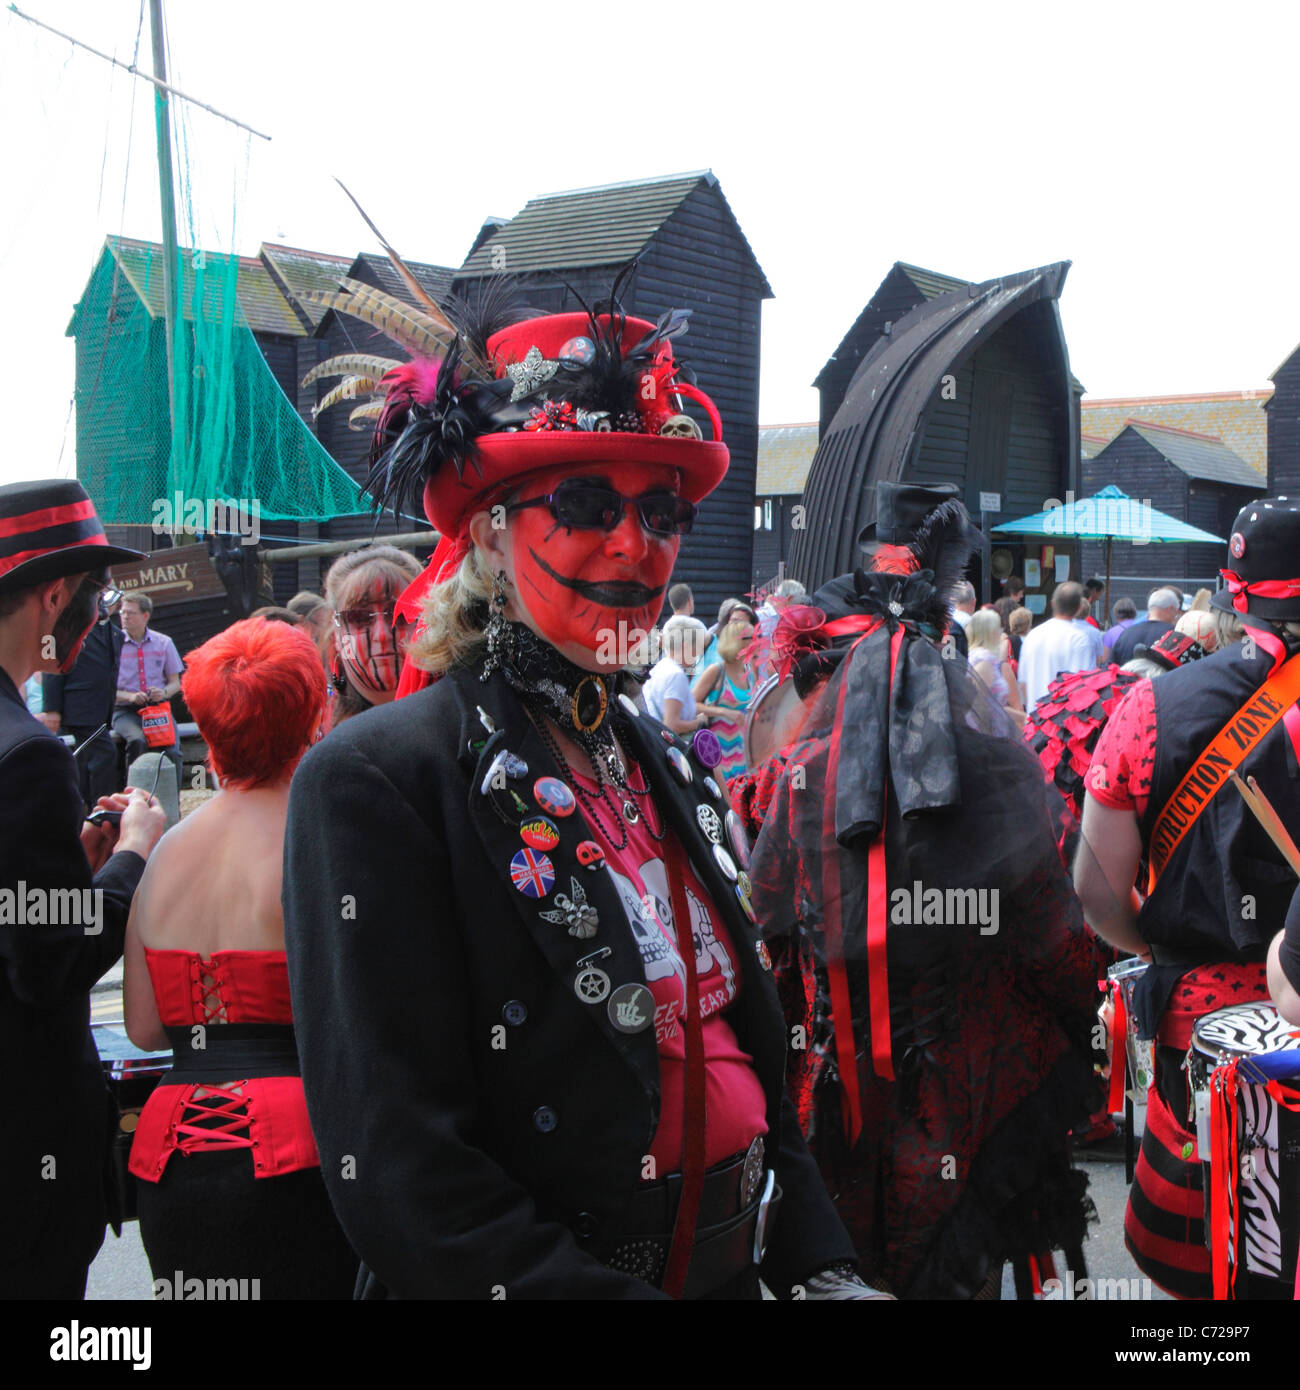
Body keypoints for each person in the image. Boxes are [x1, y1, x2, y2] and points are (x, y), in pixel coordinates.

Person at [282, 286, 875, 1299]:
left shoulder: (662, 761)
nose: (634, 545)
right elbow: (400, 1169)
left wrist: (821, 1261)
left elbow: (749, 1056)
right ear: (486, 539)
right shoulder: (381, 778)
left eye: (661, 511)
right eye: (588, 505)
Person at [729, 482, 1101, 1298]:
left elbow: (760, 947)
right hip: (966, 1112)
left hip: (827, 1111)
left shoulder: (781, 782)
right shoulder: (1003, 772)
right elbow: (1063, 955)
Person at [1075, 498, 1300, 1299]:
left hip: (1200, 1027)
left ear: (1232, 589)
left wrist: (1153, 943)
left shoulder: (1151, 705)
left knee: (1207, 1260)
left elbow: (1095, 886)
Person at [123, 618, 356, 1298]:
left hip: (173, 1162)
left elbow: (143, 1029)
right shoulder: (320, 838)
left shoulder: (163, 854)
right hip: (302, 1153)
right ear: (315, 713)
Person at [0, 479, 166, 1299]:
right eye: (97, 594)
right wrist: (131, 857)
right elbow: (50, 965)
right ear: (54, 596)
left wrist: (71, 864)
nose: (101, 614)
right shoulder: (27, 756)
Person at [321, 544, 423, 728]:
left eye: (399, 615)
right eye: (359, 618)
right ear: (336, 636)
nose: (382, 635)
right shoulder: (320, 741)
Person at [41, 587, 124, 809]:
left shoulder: (116, 633)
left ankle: (85, 806)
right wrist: (52, 709)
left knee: (86, 759)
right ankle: (102, 807)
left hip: (101, 709)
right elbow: (52, 668)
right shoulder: (70, 629)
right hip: (79, 707)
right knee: (104, 753)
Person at [113, 592, 184, 788]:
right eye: (123, 612)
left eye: (131, 613)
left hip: (157, 709)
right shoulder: (113, 644)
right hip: (125, 711)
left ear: (145, 616)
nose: (125, 617)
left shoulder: (164, 642)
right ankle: (132, 795)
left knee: (171, 751)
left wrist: (164, 693)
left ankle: (172, 802)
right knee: (137, 741)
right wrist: (130, 696)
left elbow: (175, 682)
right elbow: (105, 689)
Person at [692, 601, 757, 785]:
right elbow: (690, 705)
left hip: (743, 760)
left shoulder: (749, 672)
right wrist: (723, 711)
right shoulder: (716, 671)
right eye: (749, 638)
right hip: (716, 759)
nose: (755, 642)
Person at [1017, 581, 1097, 714]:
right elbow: (1083, 687)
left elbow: (1023, 684)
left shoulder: (1032, 636)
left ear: (1053, 603)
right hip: (1061, 725)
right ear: (1078, 608)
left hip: (1034, 720)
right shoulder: (1080, 640)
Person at [642, 617, 709, 732]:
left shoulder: (661, 666)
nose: (699, 653)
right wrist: (699, 722)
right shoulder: (676, 676)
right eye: (698, 647)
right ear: (686, 645)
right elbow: (671, 725)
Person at [966, 609, 1024, 727]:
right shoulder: (984, 660)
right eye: (998, 628)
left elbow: (993, 707)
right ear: (991, 632)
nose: (1001, 632)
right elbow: (980, 708)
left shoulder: (976, 656)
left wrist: (1024, 718)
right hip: (988, 737)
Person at [1109, 587, 1179, 666]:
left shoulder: (1126, 633)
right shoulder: (1174, 635)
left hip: (1127, 677)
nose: (1176, 616)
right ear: (1171, 609)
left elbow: (1111, 667)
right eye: (1176, 612)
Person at [1073, 591, 1106, 665]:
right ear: (1088, 611)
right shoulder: (1094, 631)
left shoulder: (1064, 628)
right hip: (1088, 672)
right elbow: (1099, 658)